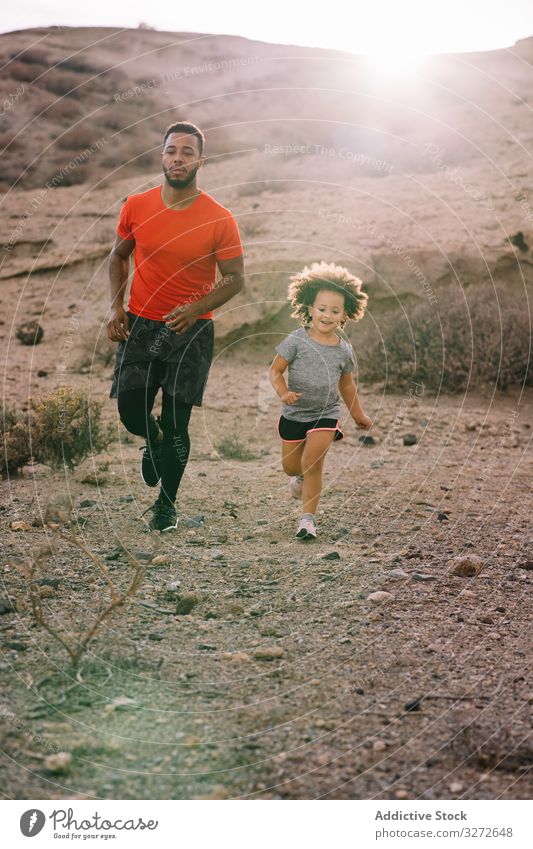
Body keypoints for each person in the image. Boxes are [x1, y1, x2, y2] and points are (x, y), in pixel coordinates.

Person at [107, 121, 244, 531]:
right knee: (131, 411)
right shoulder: (137, 205)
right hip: (141, 325)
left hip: (192, 330)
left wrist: (195, 308)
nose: (178, 159)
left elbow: (236, 279)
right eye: (171, 151)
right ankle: (152, 441)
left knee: (177, 422)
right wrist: (117, 309)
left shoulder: (220, 218)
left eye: (187, 152)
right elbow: (118, 256)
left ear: (202, 160)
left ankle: (166, 505)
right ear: (161, 156)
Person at [269, 261, 371, 540]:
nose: (327, 315)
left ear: (345, 313)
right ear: (309, 307)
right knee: (292, 467)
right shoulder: (296, 340)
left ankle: (307, 521)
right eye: (322, 309)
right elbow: (275, 370)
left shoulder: (344, 350)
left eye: (335, 311)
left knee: (313, 463)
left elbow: (347, 385)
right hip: (294, 413)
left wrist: (359, 415)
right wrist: (284, 393)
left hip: (326, 412)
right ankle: (297, 478)